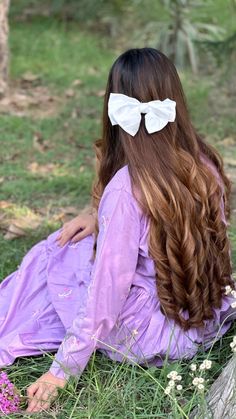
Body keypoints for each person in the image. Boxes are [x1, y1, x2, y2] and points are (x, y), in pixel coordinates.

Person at [0, 48, 236, 413]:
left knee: (54, 254)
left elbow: (105, 295)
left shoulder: (127, 190)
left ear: (114, 105)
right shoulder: (203, 162)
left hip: (145, 330)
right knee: (73, 244)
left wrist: (60, 372)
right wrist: (96, 213)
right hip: (194, 318)